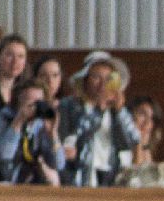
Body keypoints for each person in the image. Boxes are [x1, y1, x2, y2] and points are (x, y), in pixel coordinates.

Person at [56, 52, 138, 187]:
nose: (102, 84)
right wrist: (97, 111)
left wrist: (118, 112)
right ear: (85, 79)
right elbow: (73, 134)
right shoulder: (69, 106)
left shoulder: (117, 109)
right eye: (96, 77)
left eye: (108, 79)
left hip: (110, 172)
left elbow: (128, 142)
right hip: (78, 173)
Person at [0, 80, 64, 185]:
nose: (34, 107)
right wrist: (18, 121)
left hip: (35, 184)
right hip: (5, 183)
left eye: (38, 102)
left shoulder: (41, 125)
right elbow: (3, 156)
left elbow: (59, 164)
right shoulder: (2, 120)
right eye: (29, 102)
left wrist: (53, 134)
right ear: (17, 102)